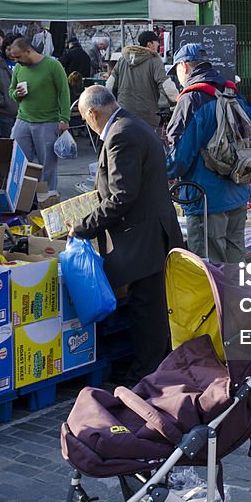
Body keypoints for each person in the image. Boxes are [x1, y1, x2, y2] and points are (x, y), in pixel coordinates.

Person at [70, 86, 183, 385]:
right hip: (150, 233)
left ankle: (146, 372)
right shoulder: (132, 124)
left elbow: (122, 195)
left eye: (84, 119)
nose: (88, 125)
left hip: (143, 237)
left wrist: (83, 226)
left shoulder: (122, 134)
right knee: (151, 305)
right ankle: (151, 365)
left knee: (147, 308)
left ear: (92, 114)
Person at [166, 43, 251, 263]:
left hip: (205, 198)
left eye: (176, 70)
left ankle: (218, 299)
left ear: (184, 66)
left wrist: (167, 172)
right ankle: (236, 298)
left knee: (210, 268)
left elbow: (178, 155)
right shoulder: (232, 93)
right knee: (235, 261)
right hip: (238, 192)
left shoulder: (191, 99)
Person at [8, 36, 71, 192]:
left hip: (48, 122)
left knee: (47, 165)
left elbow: (64, 92)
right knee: (17, 161)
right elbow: (11, 90)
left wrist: (64, 119)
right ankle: (20, 196)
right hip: (22, 120)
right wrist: (16, 94)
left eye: (18, 56)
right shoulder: (19, 68)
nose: (16, 60)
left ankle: (48, 199)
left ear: (28, 51)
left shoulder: (53, 65)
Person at [106, 29, 178, 129]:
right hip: (146, 116)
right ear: (149, 44)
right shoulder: (154, 61)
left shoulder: (122, 60)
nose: (158, 46)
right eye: (157, 42)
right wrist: (176, 102)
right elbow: (166, 85)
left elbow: (109, 85)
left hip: (123, 114)